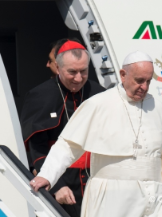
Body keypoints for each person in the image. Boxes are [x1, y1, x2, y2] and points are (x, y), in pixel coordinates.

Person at [29, 51, 162, 217]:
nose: (144, 87)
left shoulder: (157, 107)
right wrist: (46, 175)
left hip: (155, 197)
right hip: (113, 198)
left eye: (148, 81)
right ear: (123, 75)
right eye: (139, 81)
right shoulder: (98, 103)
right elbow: (68, 145)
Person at [20, 39, 105, 217]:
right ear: (58, 68)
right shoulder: (40, 96)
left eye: (84, 71)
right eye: (72, 72)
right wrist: (55, 184)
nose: (79, 78)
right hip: (59, 180)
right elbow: (36, 150)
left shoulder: (100, 94)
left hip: (95, 182)